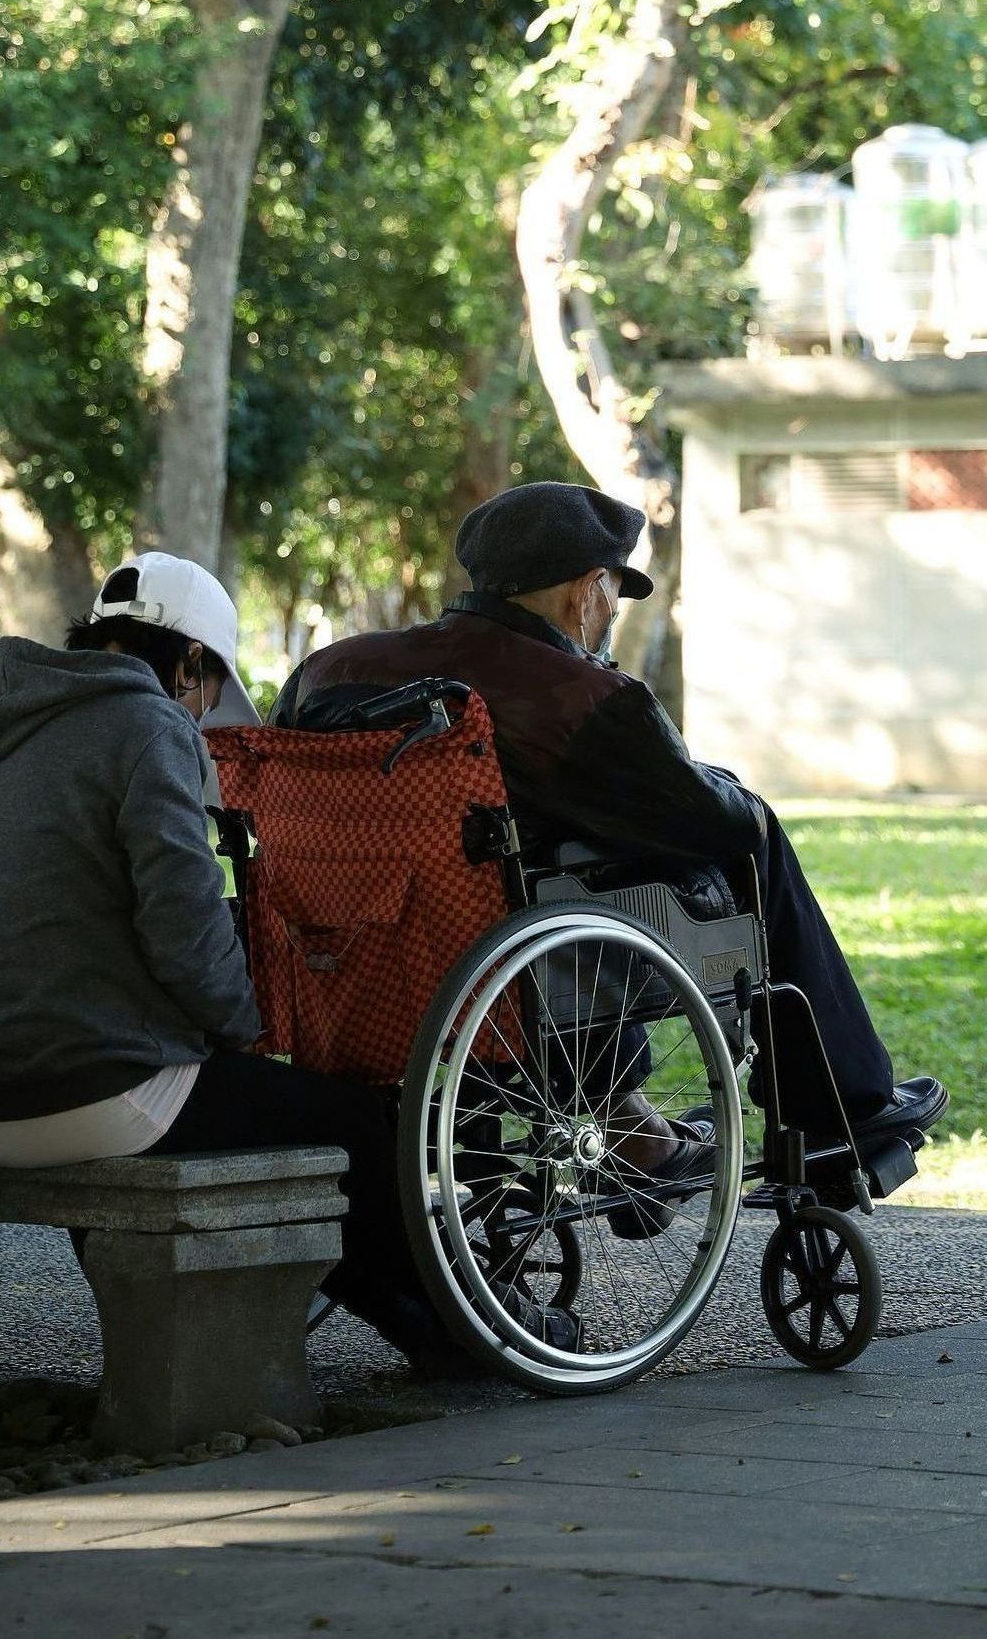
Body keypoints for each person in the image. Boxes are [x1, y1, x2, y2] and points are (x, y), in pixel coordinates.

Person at [0, 550, 473, 1362]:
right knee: (352, 1126)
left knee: (248, 1112)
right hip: (82, 1095)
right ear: (191, 661)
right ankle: (454, 1333)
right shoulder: (148, 723)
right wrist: (240, 1025)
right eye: (205, 693)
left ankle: (408, 1326)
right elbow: (185, 926)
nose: (202, 715)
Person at [271, 481, 948, 1166]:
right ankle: (844, 1104)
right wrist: (736, 793)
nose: (608, 617)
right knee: (754, 837)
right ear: (586, 591)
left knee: (540, 875)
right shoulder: (580, 696)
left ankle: (631, 1117)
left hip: (352, 955)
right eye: (613, 597)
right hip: (508, 963)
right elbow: (716, 826)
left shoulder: (328, 671)